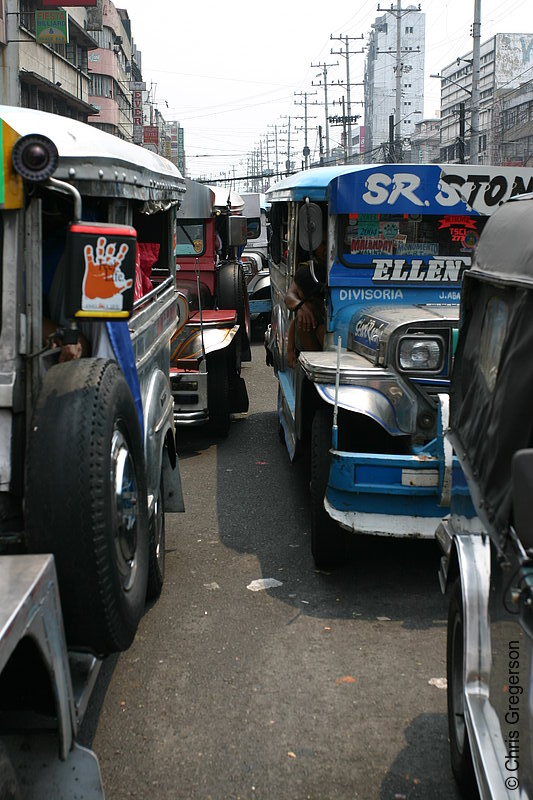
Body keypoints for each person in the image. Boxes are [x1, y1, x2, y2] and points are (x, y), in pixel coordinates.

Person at [285, 240, 327, 368]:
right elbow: (290, 297)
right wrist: (290, 349)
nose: (326, 247)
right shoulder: (308, 271)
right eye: (323, 242)